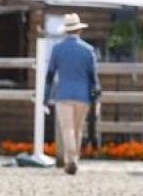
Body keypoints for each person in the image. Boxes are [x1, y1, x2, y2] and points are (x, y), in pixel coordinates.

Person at [44, 13, 101, 175]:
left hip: (63, 93)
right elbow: (93, 77)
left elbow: (50, 76)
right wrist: (94, 96)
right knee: (77, 129)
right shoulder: (88, 50)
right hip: (83, 94)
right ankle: (74, 160)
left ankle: (72, 160)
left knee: (67, 128)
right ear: (79, 30)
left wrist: (45, 97)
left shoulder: (57, 49)